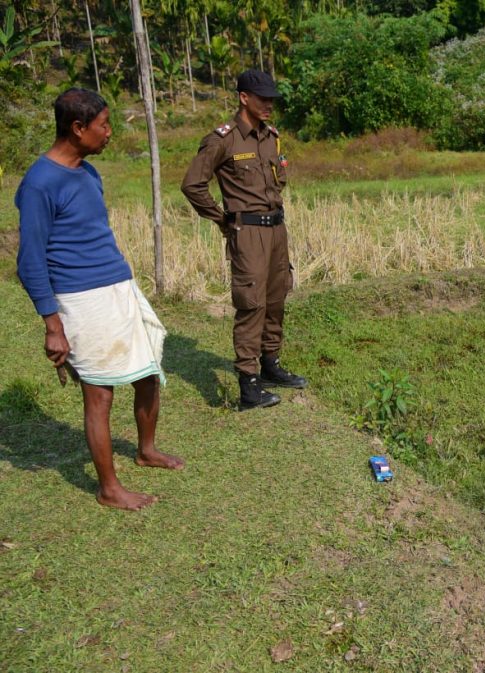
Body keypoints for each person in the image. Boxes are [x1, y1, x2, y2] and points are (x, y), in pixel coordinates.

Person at [15, 88, 184, 510]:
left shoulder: (89, 173)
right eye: (103, 125)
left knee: (147, 371)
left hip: (117, 285)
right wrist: (53, 326)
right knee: (100, 393)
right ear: (77, 128)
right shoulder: (39, 184)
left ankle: (146, 451)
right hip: (81, 298)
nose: (109, 133)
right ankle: (109, 489)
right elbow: (30, 261)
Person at [181, 70, 306, 411]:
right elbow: (193, 184)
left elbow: (278, 180)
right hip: (247, 232)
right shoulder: (224, 139)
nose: (269, 105)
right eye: (262, 98)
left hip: (276, 230)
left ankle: (270, 365)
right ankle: (249, 386)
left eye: (272, 99)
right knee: (251, 304)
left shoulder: (270, 137)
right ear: (243, 97)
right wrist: (222, 218)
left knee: (276, 297)